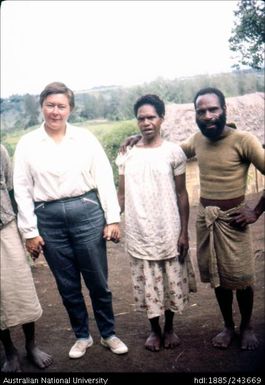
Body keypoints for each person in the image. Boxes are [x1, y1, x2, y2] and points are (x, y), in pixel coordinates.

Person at [120, 87, 265, 351]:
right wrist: (138, 136)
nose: (208, 115)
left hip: (235, 221)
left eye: (213, 109)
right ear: (196, 115)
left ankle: (246, 327)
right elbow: (166, 151)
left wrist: (255, 211)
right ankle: (228, 327)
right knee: (217, 277)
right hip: (205, 221)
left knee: (242, 278)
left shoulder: (244, 140)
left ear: (224, 110)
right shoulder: (197, 140)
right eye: (202, 111)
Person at [13, 82, 128, 359]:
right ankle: (82, 336)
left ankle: (108, 334)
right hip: (49, 220)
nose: (55, 111)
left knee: (98, 281)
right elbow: (22, 188)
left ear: (70, 109)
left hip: (87, 212)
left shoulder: (85, 138)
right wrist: (29, 231)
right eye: (50, 105)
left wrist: (112, 218)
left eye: (61, 106)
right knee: (67, 285)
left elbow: (103, 177)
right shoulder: (28, 143)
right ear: (42, 106)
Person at [116, 94, 196, 352]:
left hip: (169, 228)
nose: (146, 122)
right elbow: (121, 192)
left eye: (151, 117)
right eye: (141, 118)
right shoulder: (127, 152)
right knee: (147, 281)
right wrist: (113, 220)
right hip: (139, 229)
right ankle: (154, 330)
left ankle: (170, 328)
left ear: (162, 118)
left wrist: (184, 232)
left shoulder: (173, 152)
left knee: (170, 279)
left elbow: (182, 194)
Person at [0, 144, 53, 372]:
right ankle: (10, 351)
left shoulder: (0, 151)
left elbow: (12, 191)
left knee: (20, 287)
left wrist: (26, 233)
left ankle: (31, 345)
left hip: (6, 226)